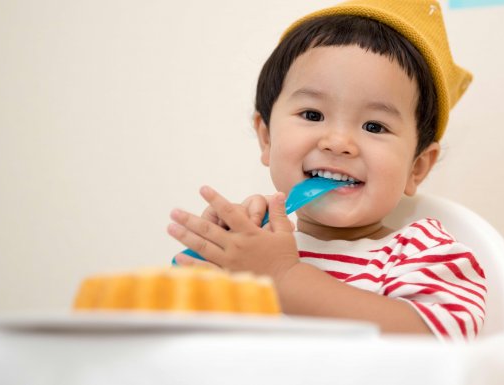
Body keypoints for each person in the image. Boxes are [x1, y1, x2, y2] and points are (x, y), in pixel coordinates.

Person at [167, 0, 485, 341]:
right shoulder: (252, 247)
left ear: (417, 167)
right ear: (267, 138)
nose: (338, 142)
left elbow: (439, 345)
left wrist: (282, 276)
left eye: (375, 126)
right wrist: (215, 269)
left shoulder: (423, 252)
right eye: (313, 115)